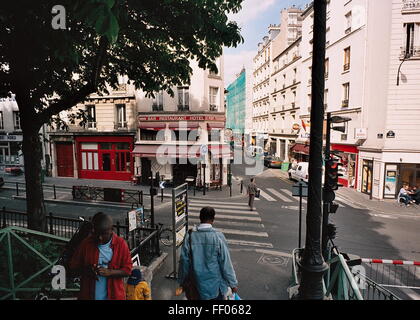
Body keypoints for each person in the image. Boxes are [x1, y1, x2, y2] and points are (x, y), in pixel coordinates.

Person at [177, 207, 238, 300]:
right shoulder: (218, 236)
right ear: (213, 219)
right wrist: (233, 283)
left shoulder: (190, 235)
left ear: (200, 218)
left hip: (195, 286)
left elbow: (184, 261)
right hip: (215, 287)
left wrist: (182, 282)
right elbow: (226, 263)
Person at [69, 212, 133, 300]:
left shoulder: (121, 244)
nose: (100, 238)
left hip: (114, 296)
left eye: (103, 234)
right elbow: (73, 267)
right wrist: (87, 270)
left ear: (111, 230)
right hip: (88, 295)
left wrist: (110, 272)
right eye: (97, 233)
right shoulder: (86, 244)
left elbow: (128, 270)